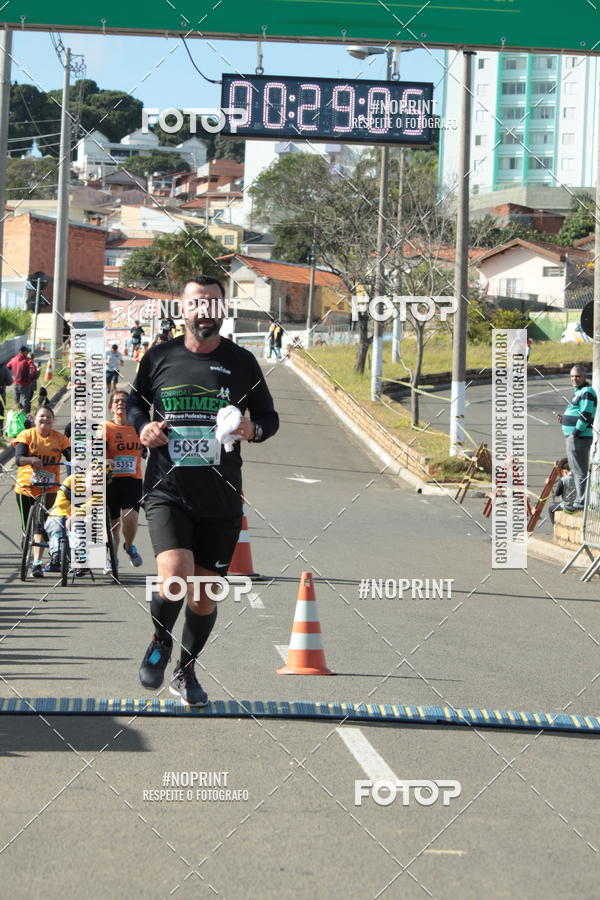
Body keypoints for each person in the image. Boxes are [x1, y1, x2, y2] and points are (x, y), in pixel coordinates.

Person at [127, 275, 279, 706]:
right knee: (174, 577)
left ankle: (186, 670)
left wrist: (254, 428)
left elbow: (269, 416)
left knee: (205, 594)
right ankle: (159, 642)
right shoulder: (159, 357)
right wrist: (145, 428)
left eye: (213, 303)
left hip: (221, 496)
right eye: (196, 302)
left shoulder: (242, 362)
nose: (204, 310)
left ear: (222, 310)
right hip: (166, 488)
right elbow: (136, 402)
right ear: (184, 310)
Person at [13, 405, 71, 577]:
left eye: (48, 417)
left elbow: (71, 455)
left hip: (50, 488)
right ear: (35, 419)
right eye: (42, 416)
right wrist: (31, 459)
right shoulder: (26, 435)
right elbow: (18, 459)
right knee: (28, 526)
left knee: (41, 526)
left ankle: (37, 563)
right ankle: (27, 538)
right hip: (26, 488)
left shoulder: (59, 439)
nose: (45, 419)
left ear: (53, 420)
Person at [44, 461, 114, 576]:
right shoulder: (71, 480)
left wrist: (73, 517)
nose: (97, 480)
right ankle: (56, 555)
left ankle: (82, 558)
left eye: (101, 479)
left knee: (83, 523)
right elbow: (60, 502)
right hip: (61, 512)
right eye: (95, 475)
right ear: (88, 473)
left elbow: (88, 508)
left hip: (81, 517)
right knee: (56, 525)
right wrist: (69, 514)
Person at [103, 390, 144, 568]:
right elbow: (98, 452)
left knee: (131, 518)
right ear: (111, 407)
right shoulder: (105, 428)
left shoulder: (138, 427)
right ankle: (112, 558)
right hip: (111, 481)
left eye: (124, 401)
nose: (120, 404)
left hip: (132, 480)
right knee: (112, 526)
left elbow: (147, 451)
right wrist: (106, 462)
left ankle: (129, 546)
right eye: (117, 401)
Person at [556, 365, 598, 510]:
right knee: (575, 471)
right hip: (573, 437)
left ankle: (580, 503)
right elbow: (577, 413)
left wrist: (575, 433)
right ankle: (576, 501)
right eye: (572, 376)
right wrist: (565, 420)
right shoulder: (579, 392)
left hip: (579, 438)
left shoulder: (587, 391)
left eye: (578, 376)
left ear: (584, 377)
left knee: (580, 471)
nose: (574, 379)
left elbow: (586, 414)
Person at [7, 346, 38, 414]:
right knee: (25, 401)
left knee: (16, 401)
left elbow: (7, 368)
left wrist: (10, 378)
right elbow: (34, 371)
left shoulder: (13, 359)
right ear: (25, 352)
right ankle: (24, 417)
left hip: (15, 383)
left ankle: (15, 416)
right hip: (25, 384)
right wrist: (31, 379)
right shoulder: (28, 360)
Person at [548, 458, 577, 523]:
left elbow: (557, 494)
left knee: (551, 509)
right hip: (578, 504)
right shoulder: (578, 478)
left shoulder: (563, 480)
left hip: (568, 506)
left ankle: (555, 526)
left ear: (565, 471)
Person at [0, 359, 13, 432]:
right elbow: (10, 381)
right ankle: (0, 433)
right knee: (1, 416)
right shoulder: (3, 367)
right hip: (1, 396)